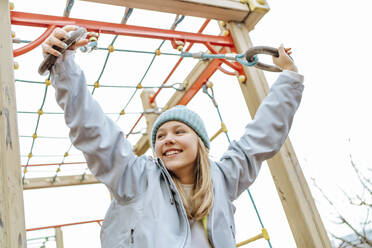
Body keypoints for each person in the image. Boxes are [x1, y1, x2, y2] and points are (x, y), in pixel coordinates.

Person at [42, 25, 304, 248]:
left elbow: (262, 136)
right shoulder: (136, 177)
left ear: (200, 142)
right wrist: (63, 65)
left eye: (179, 132)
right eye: (161, 136)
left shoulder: (222, 179)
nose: (167, 139)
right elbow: (92, 129)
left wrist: (289, 78)